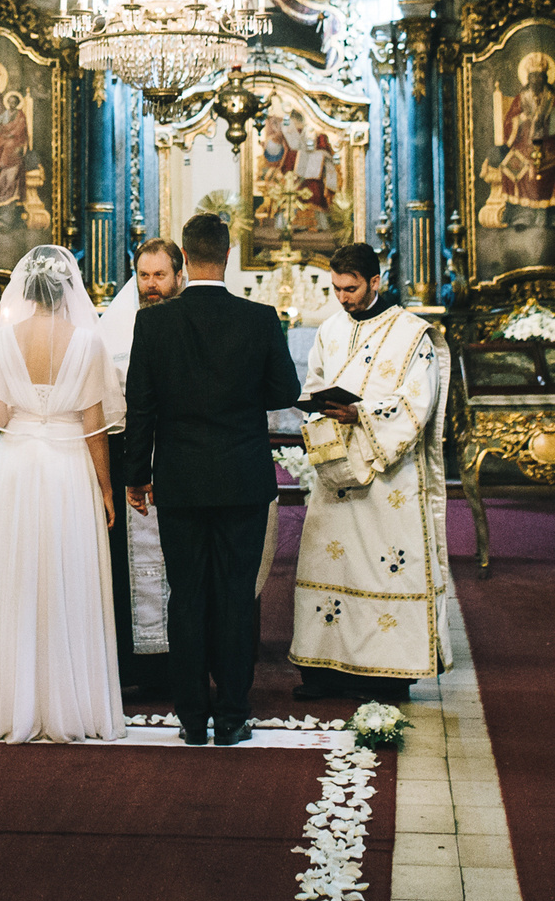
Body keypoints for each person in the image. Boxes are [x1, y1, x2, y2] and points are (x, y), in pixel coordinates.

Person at [122, 212, 302, 747]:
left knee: (186, 596)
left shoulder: (154, 324)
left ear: (184, 257)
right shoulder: (260, 318)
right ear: (228, 254)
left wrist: (136, 476)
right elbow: (284, 393)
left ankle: (191, 718)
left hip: (179, 480)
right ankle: (232, 716)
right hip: (243, 479)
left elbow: (140, 407)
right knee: (235, 596)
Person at [0, 245, 124, 744]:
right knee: (68, 572)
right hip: (68, 464)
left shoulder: (4, 339)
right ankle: (72, 703)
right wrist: (107, 488)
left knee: (17, 574)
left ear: (26, 291)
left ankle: (11, 704)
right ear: (69, 290)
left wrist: (29, 411)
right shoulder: (88, 341)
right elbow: (95, 425)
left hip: (17, 464)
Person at [290, 243, 450, 702]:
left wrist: (361, 413)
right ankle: (323, 670)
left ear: (375, 282)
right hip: (337, 471)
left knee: (382, 570)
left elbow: (418, 403)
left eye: (352, 288)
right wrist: (321, 408)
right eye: (337, 289)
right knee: (331, 564)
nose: (343, 298)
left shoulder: (411, 335)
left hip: (388, 476)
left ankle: (388, 675)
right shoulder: (330, 329)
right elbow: (315, 384)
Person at [96, 239, 185, 694]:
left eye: (160, 276)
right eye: (144, 275)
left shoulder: (189, 318)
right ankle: (132, 667)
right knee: (123, 566)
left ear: (178, 276)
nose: (151, 285)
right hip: (130, 454)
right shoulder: (113, 329)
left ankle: (179, 663)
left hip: (179, 457)